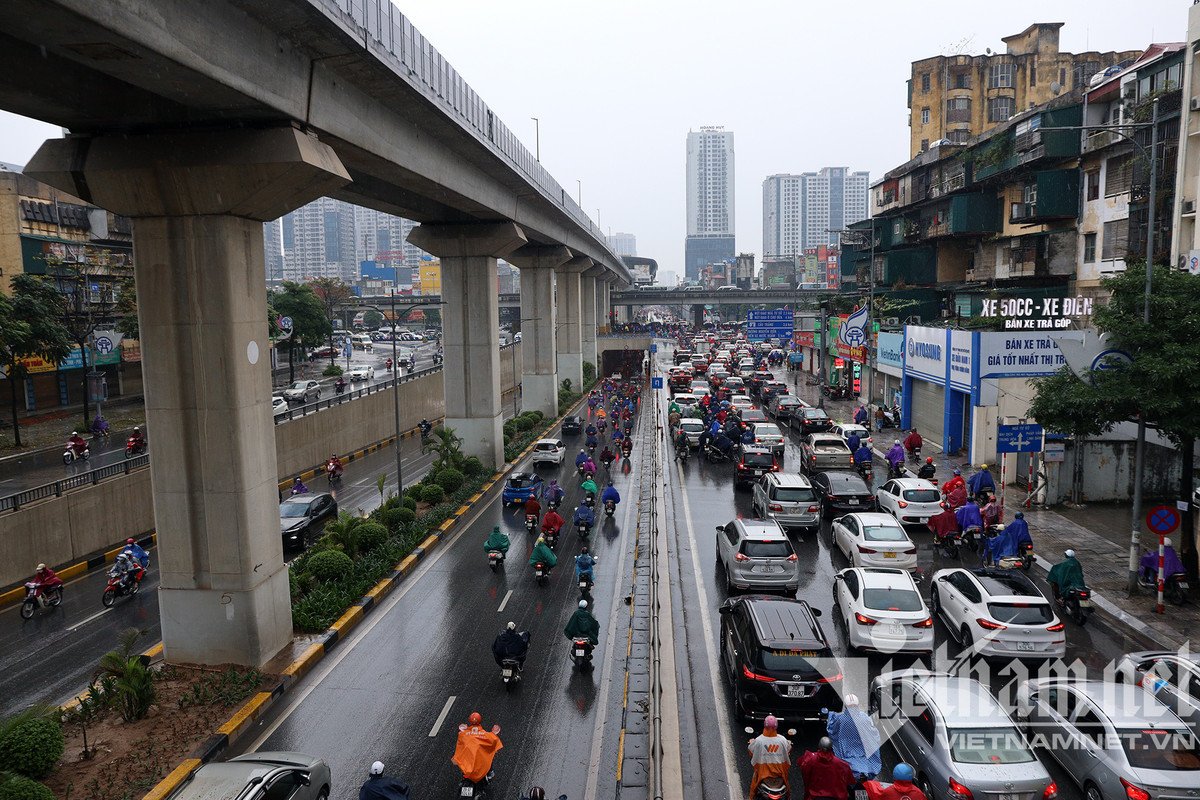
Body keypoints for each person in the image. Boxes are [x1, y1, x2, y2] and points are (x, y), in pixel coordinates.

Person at [825, 694, 882, 782]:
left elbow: (831, 730)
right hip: (863, 754)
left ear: (845, 705)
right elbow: (875, 735)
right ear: (858, 704)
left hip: (845, 754)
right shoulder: (865, 718)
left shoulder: (840, 719)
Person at [747, 714, 793, 799]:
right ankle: (789, 797)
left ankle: (750, 797)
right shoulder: (782, 740)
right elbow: (789, 749)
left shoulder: (759, 741)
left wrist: (751, 742)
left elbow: (751, 751)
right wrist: (789, 743)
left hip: (763, 774)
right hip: (780, 774)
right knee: (787, 783)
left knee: (755, 780)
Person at [451, 713, 503, 785]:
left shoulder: (463, 734)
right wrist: (493, 733)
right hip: (479, 763)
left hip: (468, 763)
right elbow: (493, 740)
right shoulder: (485, 735)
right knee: (489, 755)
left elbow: (460, 744)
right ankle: (490, 772)